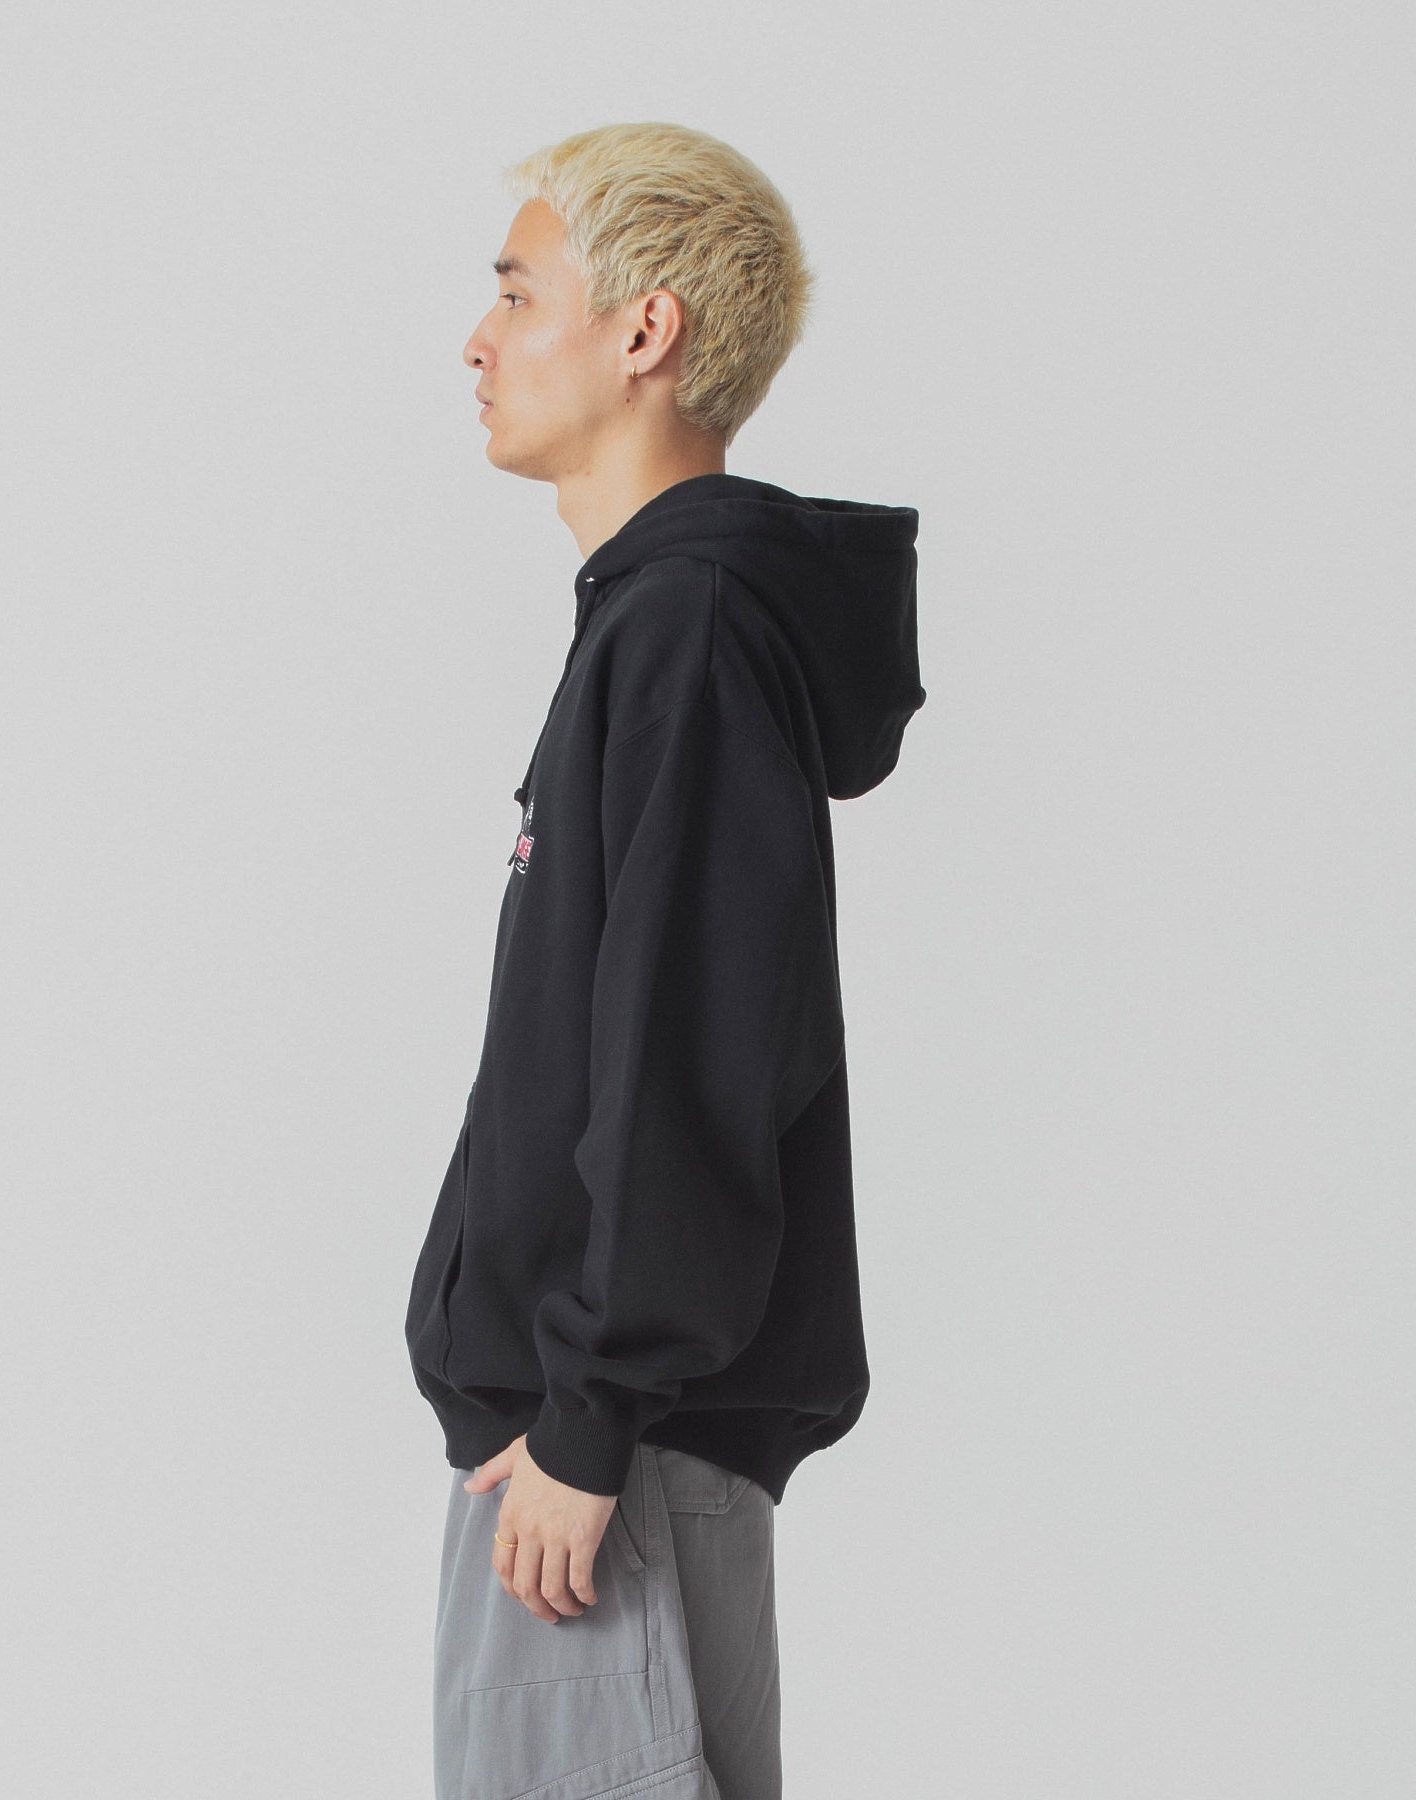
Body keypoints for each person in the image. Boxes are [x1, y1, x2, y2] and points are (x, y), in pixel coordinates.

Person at [404, 120, 925, 1800]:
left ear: (646, 331)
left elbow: (693, 1045)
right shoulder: (656, 627)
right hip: (590, 1451)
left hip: (600, 1468)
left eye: (517, 293)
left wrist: (592, 1412)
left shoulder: (687, 631)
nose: (477, 340)